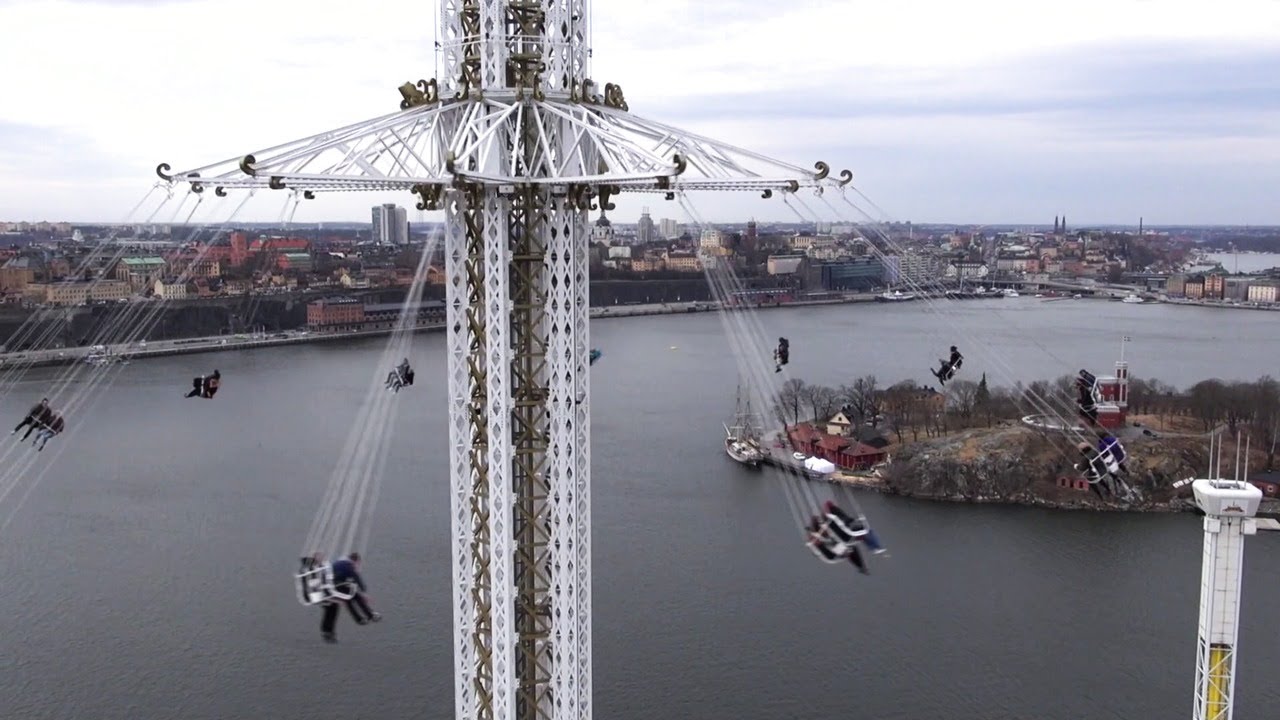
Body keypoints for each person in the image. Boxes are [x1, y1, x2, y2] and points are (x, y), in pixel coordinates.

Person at [321, 552, 381, 643]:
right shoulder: (349, 565)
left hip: (330, 587)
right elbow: (357, 578)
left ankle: (359, 619)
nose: (358, 565)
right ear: (355, 561)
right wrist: (364, 592)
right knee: (357, 597)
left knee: (348, 599)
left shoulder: (339, 562)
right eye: (358, 563)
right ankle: (370, 615)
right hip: (336, 586)